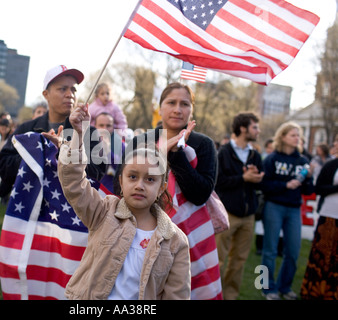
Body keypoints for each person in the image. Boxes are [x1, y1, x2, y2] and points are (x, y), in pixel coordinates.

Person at [57, 103, 191, 300]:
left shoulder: (176, 242)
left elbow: (177, 296)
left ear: (162, 188)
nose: (140, 185)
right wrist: (78, 134)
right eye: (133, 177)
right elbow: (73, 183)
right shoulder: (103, 211)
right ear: (121, 180)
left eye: (150, 179)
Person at [122, 82, 220, 300]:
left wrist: (175, 154)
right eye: (171, 102)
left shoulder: (203, 144)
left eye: (184, 104)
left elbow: (200, 194)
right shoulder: (141, 141)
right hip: (142, 232)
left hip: (189, 236)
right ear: (160, 107)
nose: (177, 109)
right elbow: (122, 189)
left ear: (191, 110)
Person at [0, 65, 106, 199]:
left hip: (69, 215)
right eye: (62, 89)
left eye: (73, 89)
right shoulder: (26, 129)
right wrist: (39, 150)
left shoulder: (89, 133)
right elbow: (4, 167)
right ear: (46, 94)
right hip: (29, 209)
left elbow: (97, 176)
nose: (70, 94)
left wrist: (63, 150)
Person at [260, 121, 314, 300]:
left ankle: (285, 287)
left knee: (293, 251)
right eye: (293, 135)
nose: (297, 138)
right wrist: (285, 185)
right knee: (270, 250)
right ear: (282, 137)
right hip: (274, 206)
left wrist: (308, 178)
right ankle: (266, 288)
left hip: (293, 210)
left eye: (298, 135)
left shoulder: (303, 161)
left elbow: (307, 190)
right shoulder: (271, 159)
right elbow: (264, 185)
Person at [214, 112, 264, 300]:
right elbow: (218, 182)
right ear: (243, 129)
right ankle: (212, 295)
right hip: (226, 213)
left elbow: (260, 183)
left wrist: (256, 177)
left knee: (239, 261)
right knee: (218, 259)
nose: (258, 131)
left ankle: (230, 296)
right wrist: (243, 178)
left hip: (248, 215)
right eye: (254, 127)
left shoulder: (255, 154)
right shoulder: (224, 152)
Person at [300, 157, 338, 300]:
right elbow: (319, 188)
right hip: (329, 217)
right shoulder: (332, 165)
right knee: (322, 258)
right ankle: (314, 292)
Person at [94, 112, 124, 193]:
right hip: (91, 189)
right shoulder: (87, 144)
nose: (105, 129)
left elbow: (122, 170)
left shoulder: (121, 145)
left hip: (111, 191)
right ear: (95, 126)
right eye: (101, 125)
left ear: (113, 127)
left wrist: (108, 152)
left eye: (108, 126)